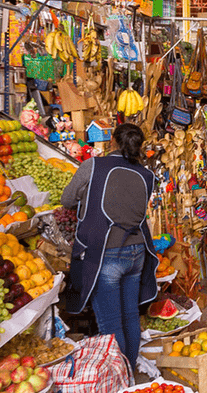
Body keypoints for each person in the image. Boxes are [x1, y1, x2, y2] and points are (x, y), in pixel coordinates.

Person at [61, 124, 158, 370]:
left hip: (108, 251)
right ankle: (129, 372)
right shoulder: (147, 175)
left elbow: (67, 200)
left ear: (112, 142)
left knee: (111, 322)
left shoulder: (93, 166)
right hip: (137, 252)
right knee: (130, 316)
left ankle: (120, 378)